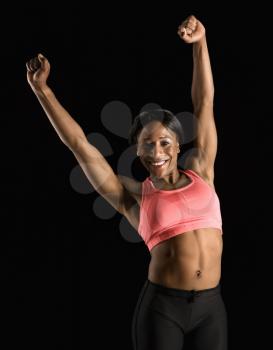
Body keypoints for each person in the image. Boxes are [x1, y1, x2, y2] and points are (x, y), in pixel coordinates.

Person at [26, 14, 227, 350]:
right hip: (163, 309)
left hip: (212, 308)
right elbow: (79, 144)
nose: (157, 150)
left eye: (164, 142)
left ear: (178, 145)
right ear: (138, 151)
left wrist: (200, 44)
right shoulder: (132, 196)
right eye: (148, 144)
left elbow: (204, 102)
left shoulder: (202, 171)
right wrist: (42, 90)